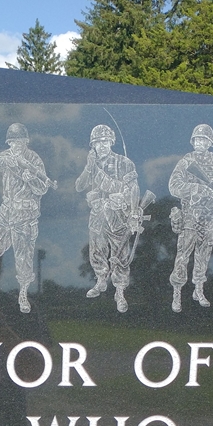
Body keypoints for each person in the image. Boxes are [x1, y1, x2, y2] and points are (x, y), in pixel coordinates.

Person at [0, 123, 51, 314]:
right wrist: (5, 159)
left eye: (19, 141)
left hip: (25, 215)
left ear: (25, 141)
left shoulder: (34, 159)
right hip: (7, 211)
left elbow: (42, 188)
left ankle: (23, 293)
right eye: (12, 142)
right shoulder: (7, 155)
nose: (16, 145)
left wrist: (30, 178)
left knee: (23, 255)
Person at [75, 124, 140, 313]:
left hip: (118, 214)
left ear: (111, 141)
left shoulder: (124, 162)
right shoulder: (92, 166)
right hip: (98, 214)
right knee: (97, 250)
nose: (102, 145)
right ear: (92, 145)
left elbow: (134, 188)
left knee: (120, 255)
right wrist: (89, 167)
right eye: (97, 142)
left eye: (105, 141)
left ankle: (120, 292)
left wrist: (133, 210)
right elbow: (79, 186)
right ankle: (101, 280)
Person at [168, 123, 213, 312]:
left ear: (210, 142)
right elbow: (174, 185)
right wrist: (196, 188)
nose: (200, 142)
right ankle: (177, 292)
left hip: (208, 217)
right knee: (183, 256)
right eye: (197, 139)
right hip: (190, 217)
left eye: (203, 140)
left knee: (203, 256)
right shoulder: (187, 162)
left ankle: (198, 290)